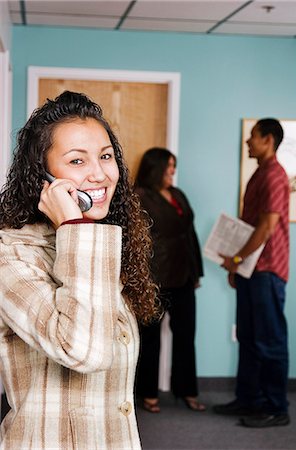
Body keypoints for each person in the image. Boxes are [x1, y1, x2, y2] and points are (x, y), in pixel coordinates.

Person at [0, 91, 159, 449]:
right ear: (42, 176)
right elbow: (85, 351)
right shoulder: (11, 257)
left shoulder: (97, 248)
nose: (100, 174)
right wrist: (73, 226)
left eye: (105, 156)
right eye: (76, 161)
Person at [214, 118, 290, 428]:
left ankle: (276, 408)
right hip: (252, 269)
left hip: (268, 269)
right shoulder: (260, 173)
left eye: (253, 138)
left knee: (269, 341)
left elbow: (267, 227)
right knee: (248, 336)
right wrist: (238, 266)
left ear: (268, 140)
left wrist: (236, 258)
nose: (247, 142)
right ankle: (249, 399)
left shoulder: (274, 175)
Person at [135, 147, 205, 413]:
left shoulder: (178, 195)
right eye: (169, 166)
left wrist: (197, 272)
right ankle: (148, 393)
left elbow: (190, 234)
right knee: (150, 338)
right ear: (155, 168)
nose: (173, 171)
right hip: (156, 278)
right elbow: (137, 241)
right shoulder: (140, 196)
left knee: (187, 336)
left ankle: (187, 391)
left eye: (174, 166)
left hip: (184, 275)